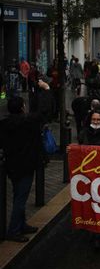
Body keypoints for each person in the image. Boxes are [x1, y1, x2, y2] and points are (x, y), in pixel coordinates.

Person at [0, 97, 43, 242]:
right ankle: (13, 230)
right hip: (26, 165)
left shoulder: (4, 124)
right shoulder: (27, 122)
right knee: (20, 198)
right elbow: (43, 112)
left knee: (18, 194)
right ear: (22, 108)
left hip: (12, 165)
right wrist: (46, 90)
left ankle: (22, 224)